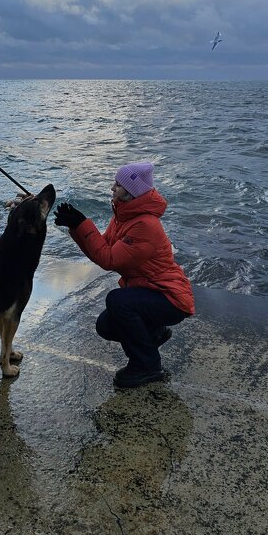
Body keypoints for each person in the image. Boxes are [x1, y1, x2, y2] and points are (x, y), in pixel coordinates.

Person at [54, 162, 195, 388]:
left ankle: (147, 366)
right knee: (105, 325)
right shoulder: (123, 216)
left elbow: (109, 260)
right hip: (150, 292)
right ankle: (153, 335)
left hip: (170, 298)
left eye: (118, 185)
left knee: (117, 301)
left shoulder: (145, 225)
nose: (112, 188)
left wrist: (82, 224)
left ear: (132, 192)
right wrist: (75, 226)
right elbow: (102, 250)